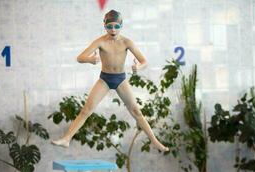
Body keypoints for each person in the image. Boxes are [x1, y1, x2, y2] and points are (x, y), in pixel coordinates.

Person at [51, 10, 169, 152]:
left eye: (116, 27)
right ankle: (66, 139)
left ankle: (155, 142)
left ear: (121, 25)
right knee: (86, 110)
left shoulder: (127, 42)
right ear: (104, 25)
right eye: (109, 26)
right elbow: (80, 57)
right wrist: (90, 59)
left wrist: (138, 66)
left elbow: (144, 61)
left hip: (120, 79)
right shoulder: (100, 41)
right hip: (105, 79)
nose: (113, 30)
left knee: (136, 111)